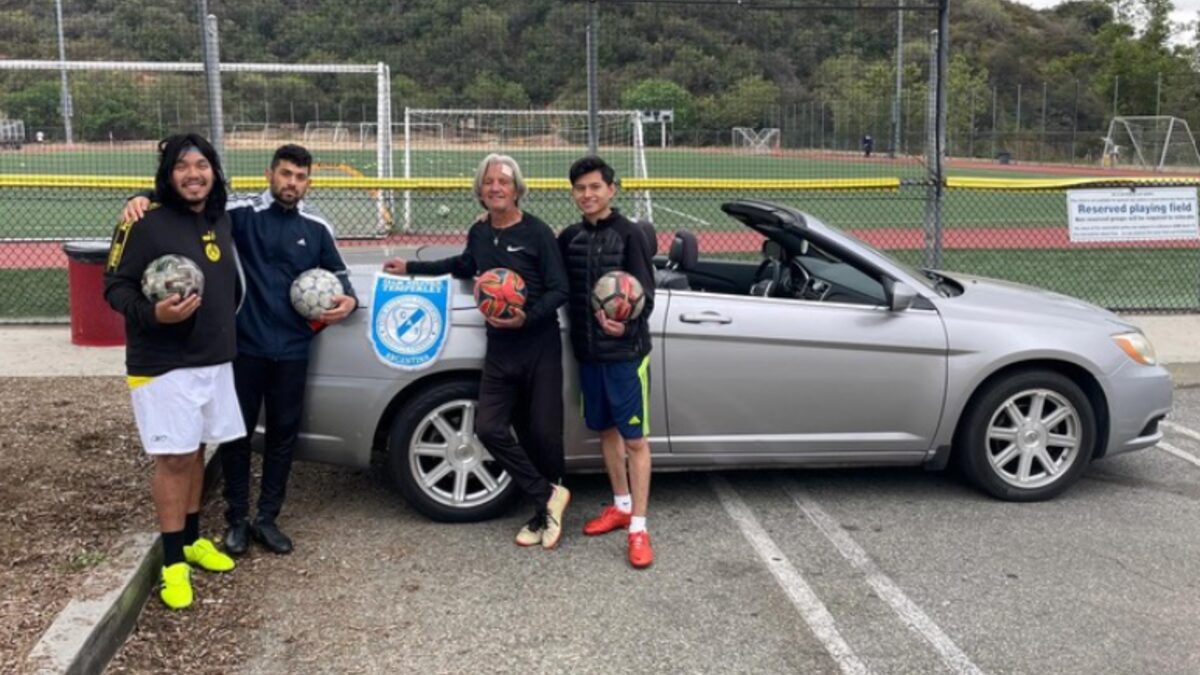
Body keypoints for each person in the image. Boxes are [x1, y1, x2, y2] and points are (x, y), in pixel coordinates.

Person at [121, 144, 357, 557]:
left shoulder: (317, 226)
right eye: (285, 174)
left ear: (309, 183)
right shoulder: (239, 214)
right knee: (237, 436)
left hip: (295, 348)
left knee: (284, 435)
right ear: (269, 174)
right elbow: (193, 192)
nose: (291, 183)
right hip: (243, 346)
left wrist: (349, 298)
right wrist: (144, 196)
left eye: (300, 177)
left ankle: (267, 518)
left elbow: (338, 274)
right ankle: (236, 520)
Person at [382, 154, 571, 549]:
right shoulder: (481, 233)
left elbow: (559, 289)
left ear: (517, 188)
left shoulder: (537, 233)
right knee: (490, 428)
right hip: (500, 348)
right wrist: (412, 270)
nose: (496, 187)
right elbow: (464, 264)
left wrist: (527, 317)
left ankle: (543, 515)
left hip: (538, 344)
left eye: (503, 181)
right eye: (489, 182)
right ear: (480, 191)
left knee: (543, 433)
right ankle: (548, 494)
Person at [104, 133, 243, 610]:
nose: (193, 174)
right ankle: (171, 563)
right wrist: (153, 316)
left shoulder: (219, 217)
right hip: (163, 364)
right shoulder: (143, 222)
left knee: (197, 451)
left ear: (214, 171)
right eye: (182, 166)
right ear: (168, 174)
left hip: (213, 359)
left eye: (201, 165)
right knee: (174, 459)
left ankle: (190, 540)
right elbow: (115, 286)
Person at [558, 156, 656, 568]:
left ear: (611, 190)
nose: (588, 195)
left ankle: (638, 527)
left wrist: (628, 330)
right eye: (580, 188)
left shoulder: (630, 234)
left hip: (625, 355)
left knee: (635, 440)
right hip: (588, 353)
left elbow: (645, 295)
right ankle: (619, 505)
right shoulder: (568, 238)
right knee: (606, 432)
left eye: (595, 187)